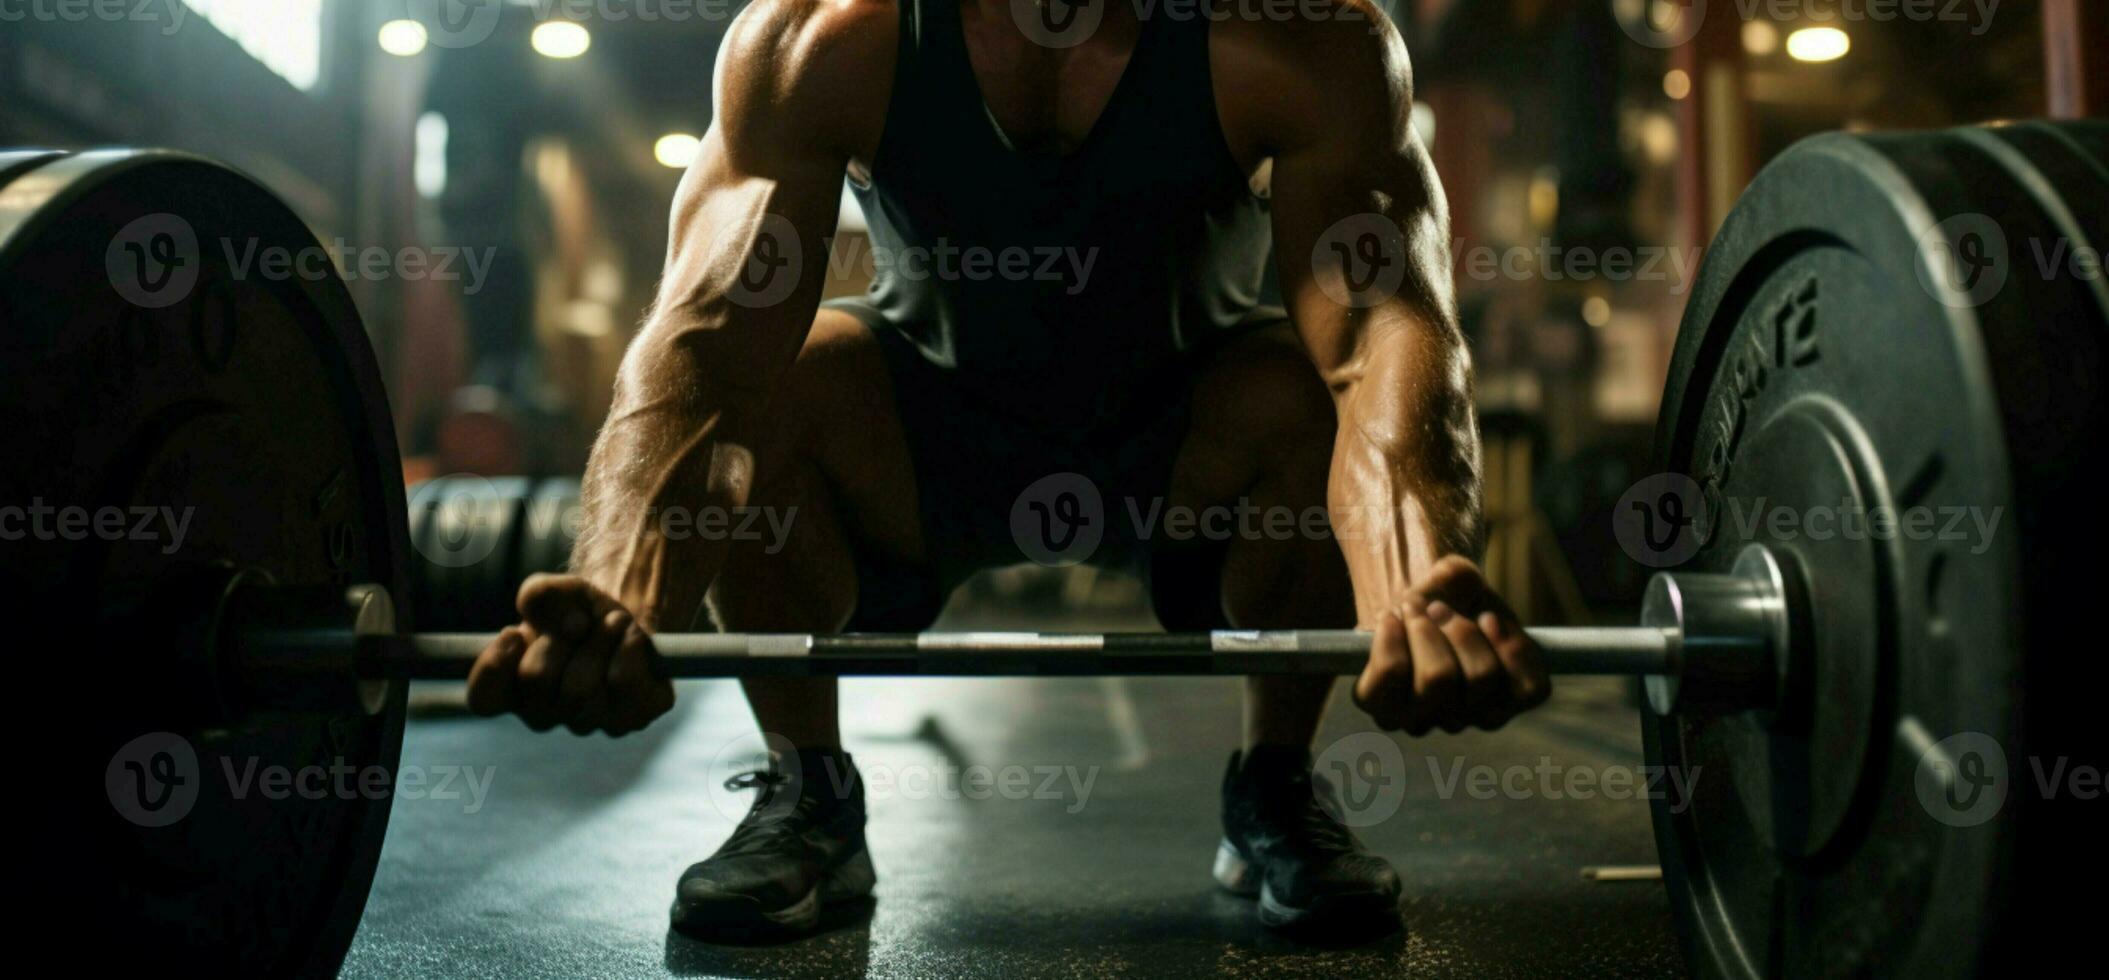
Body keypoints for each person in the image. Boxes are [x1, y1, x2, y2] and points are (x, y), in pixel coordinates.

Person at [463, 0, 1551, 940]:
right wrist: (616, 587)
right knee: (790, 374)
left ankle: (1275, 782)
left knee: (1303, 386)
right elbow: (706, 345)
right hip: (927, 439)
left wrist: (1417, 581)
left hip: (1185, 448)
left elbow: (1383, 332)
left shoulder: (1298, 37)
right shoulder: (822, 40)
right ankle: (809, 791)